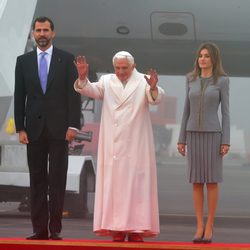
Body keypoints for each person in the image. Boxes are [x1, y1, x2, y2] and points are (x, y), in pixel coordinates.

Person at [74, 51, 164, 242]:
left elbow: (155, 98)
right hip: (113, 145)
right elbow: (90, 90)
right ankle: (117, 229)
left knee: (137, 187)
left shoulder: (144, 80)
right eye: (118, 68)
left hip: (136, 143)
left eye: (125, 68)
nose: (121, 72)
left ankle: (137, 229)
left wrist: (154, 88)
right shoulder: (107, 81)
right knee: (115, 187)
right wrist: (82, 77)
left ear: (133, 66)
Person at [14, 16, 81, 240]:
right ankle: (39, 229)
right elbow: (20, 96)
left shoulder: (66, 59)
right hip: (33, 130)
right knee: (37, 180)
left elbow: (73, 97)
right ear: (33, 33)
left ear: (53, 33)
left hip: (60, 130)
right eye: (38, 30)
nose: (42, 34)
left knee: (57, 180)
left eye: (46, 30)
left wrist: (73, 125)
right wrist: (20, 128)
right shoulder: (23, 61)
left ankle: (55, 229)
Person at [177, 42, 230, 244]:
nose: (203, 59)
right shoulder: (190, 79)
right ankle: (199, 225)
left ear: (214, 59)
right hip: (192, 134)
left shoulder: (222, 81)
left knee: (212, 181)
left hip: (213, 135)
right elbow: (185, 110)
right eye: (200, 55)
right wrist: (182, 138)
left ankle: (210, 224)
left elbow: (226, 113)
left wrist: (226, 140)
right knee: (196, 181)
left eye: (207, 56)